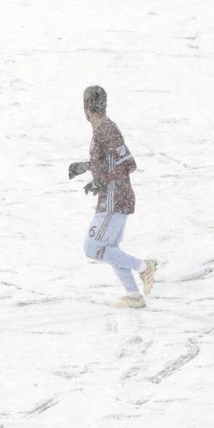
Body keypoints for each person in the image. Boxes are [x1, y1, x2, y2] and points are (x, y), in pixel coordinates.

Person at [69, 85, 158, 308]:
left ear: (86, 107)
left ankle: (144, 267)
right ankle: (134, 296)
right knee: (110, 251)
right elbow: (108, 161)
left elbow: (129, 163)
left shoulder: (106, 130)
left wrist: (102, 179)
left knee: (93, 248)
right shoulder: (102, 130)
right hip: (113, 198)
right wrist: (86, 167)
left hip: (115, 199)